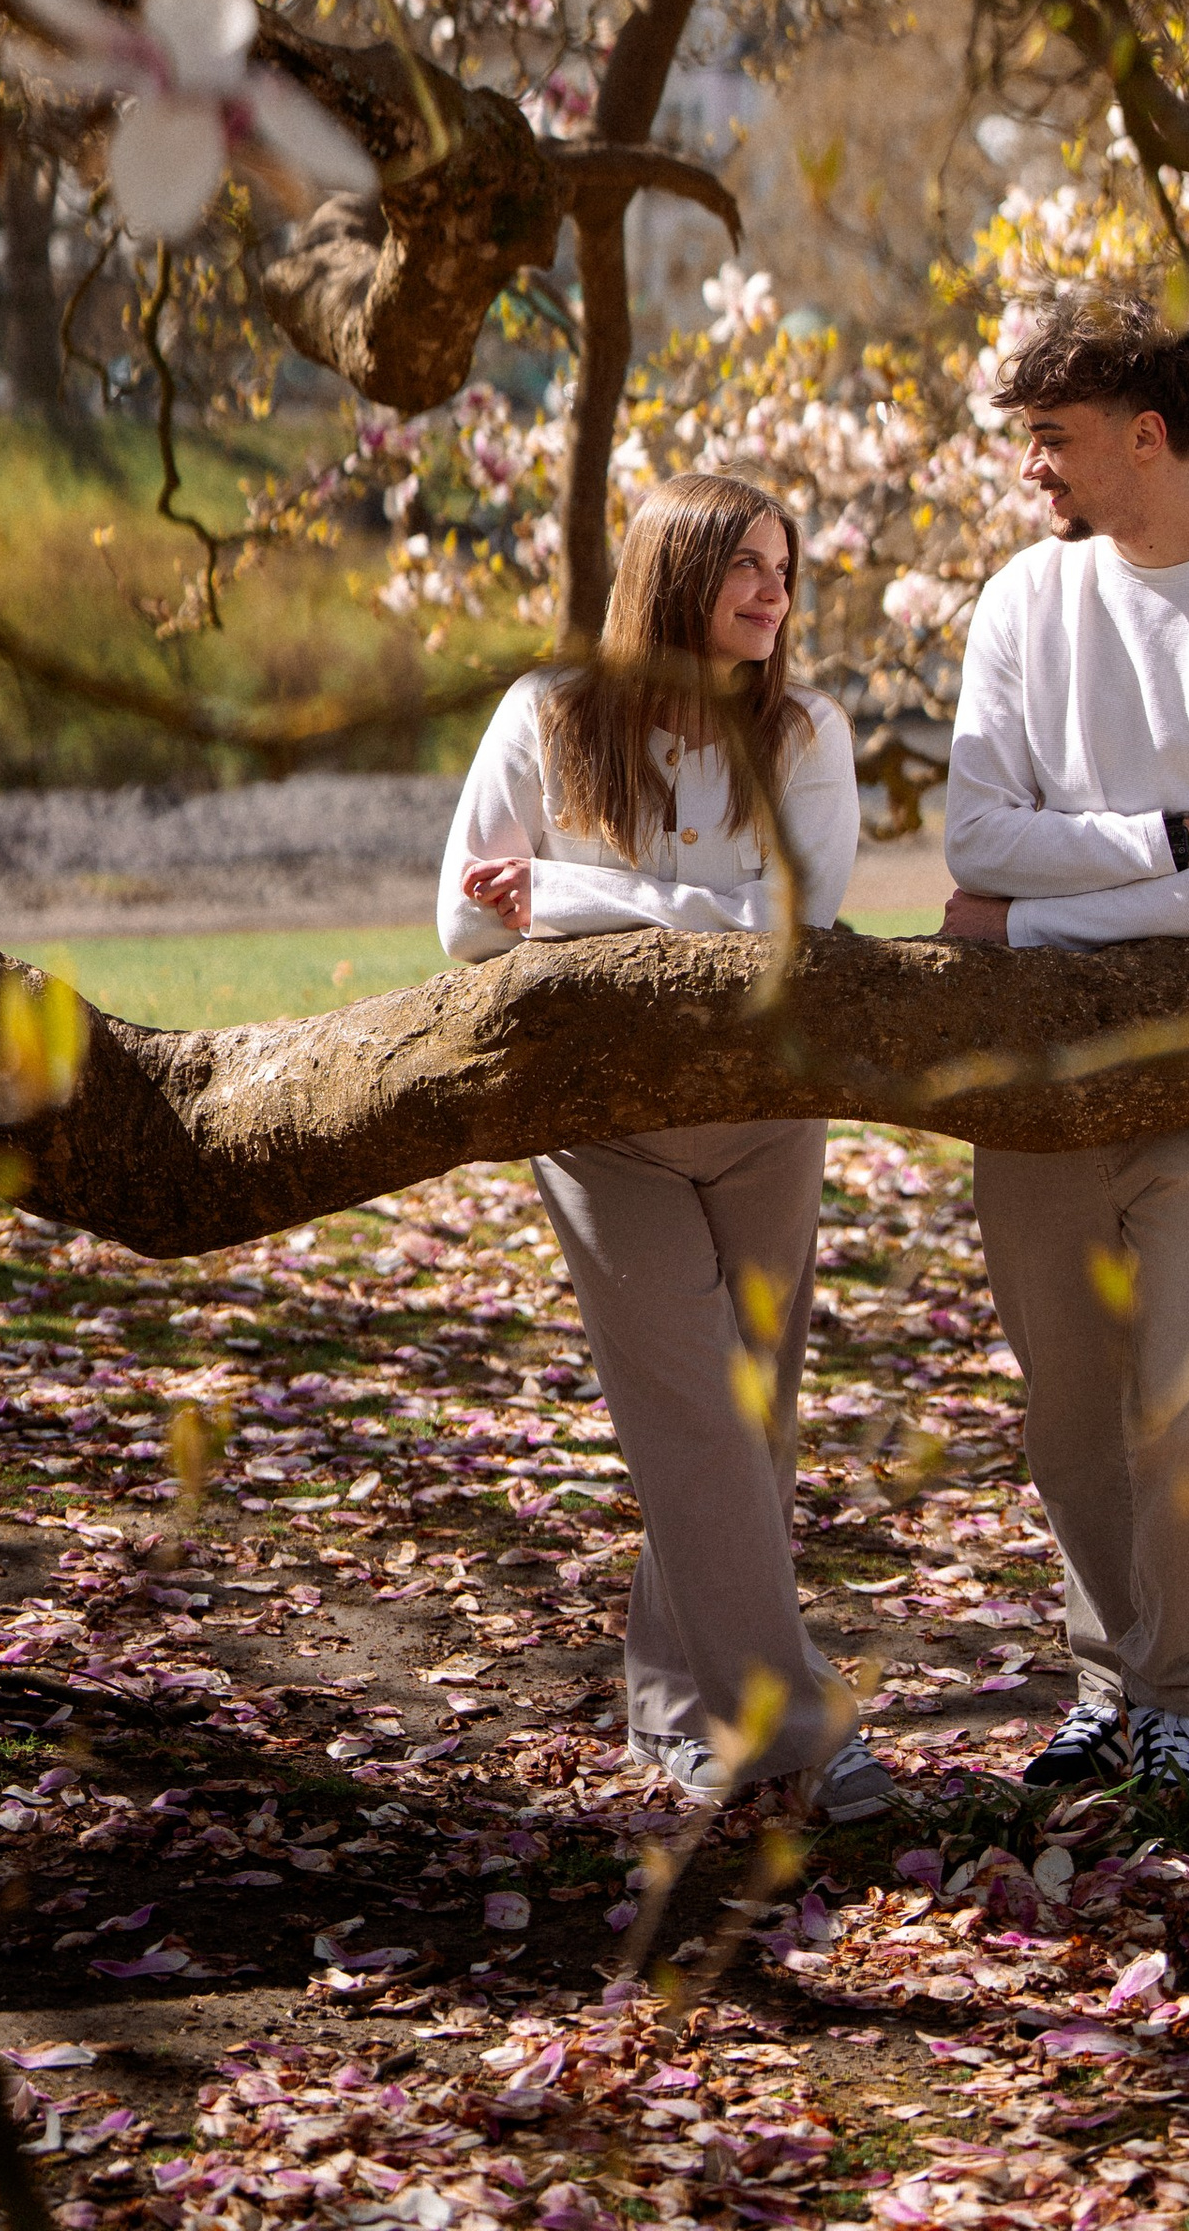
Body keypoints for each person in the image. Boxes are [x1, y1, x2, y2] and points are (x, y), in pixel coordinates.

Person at [439, 467, 894, 1823]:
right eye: (746, 564)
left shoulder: (805, 731)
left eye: (785, 566)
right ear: (674, 576)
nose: (775, 590)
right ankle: (795, 1727)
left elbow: (790, 930)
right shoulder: (545, 718)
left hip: (767, 1121)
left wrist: (573, 893)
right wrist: (674, 907)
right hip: (605, 1131)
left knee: (741, 1426)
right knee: (698, 1420)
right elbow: (466, 926)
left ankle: (667, 1704)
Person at [941, 299, 1189, 1790]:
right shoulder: (1018, 604)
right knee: (1069, 1416)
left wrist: (1032, 923)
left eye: (1052, 440)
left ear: (1147, 438)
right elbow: (971, 829)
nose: (1034, 468)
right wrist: (1151, 849)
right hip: (1036, 1089)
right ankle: (1103, 1683)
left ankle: (1176, 1697)